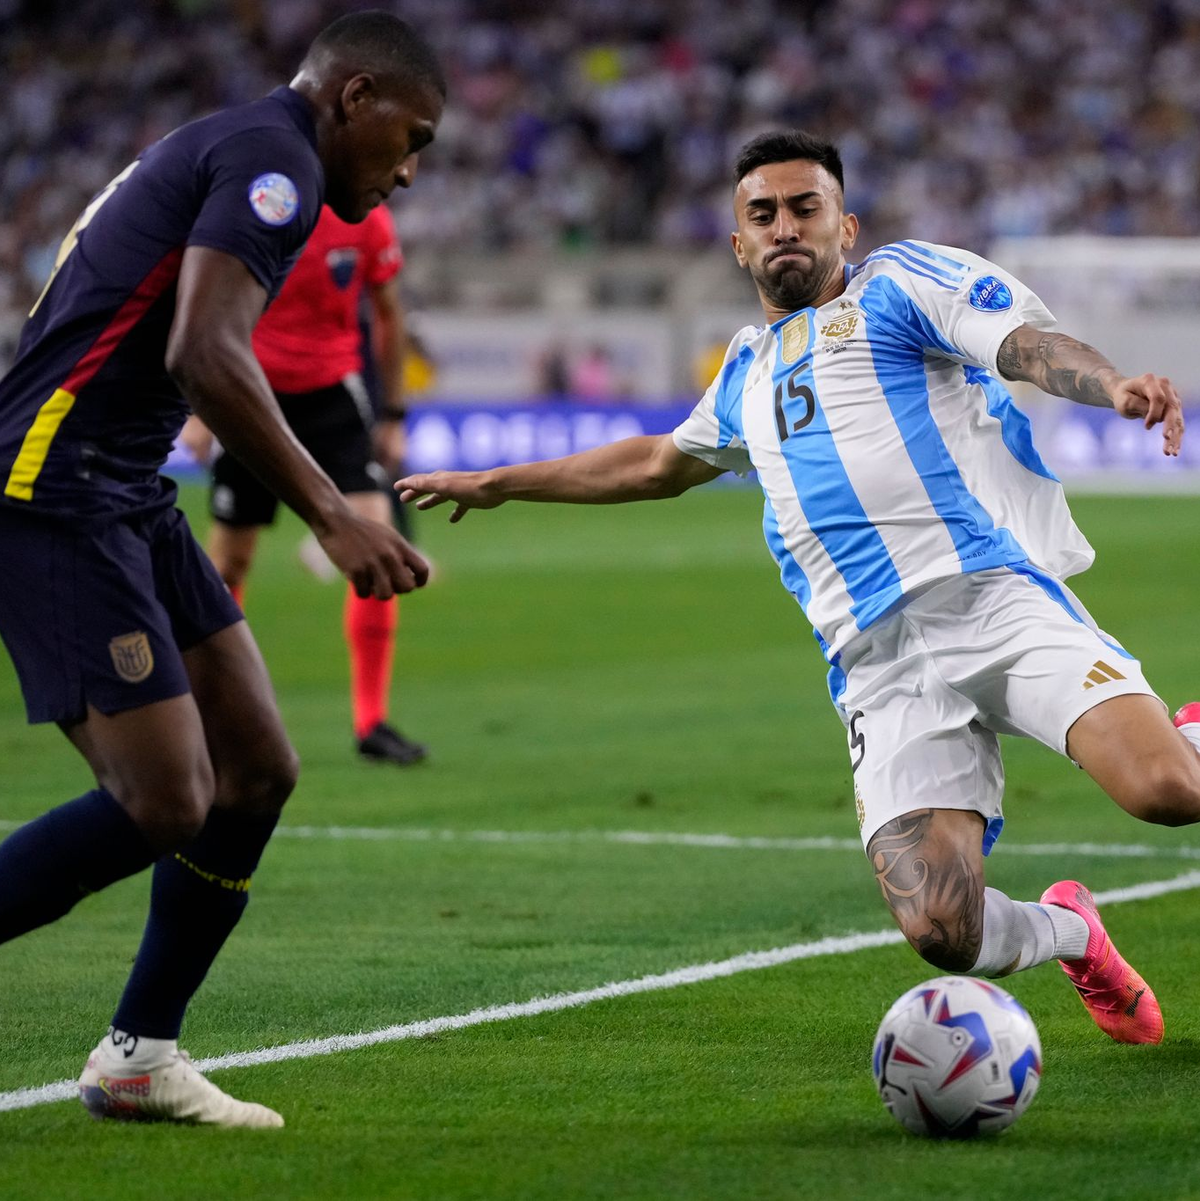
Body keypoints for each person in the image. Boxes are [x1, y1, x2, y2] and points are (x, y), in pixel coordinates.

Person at [398, 130, 1200, 1047]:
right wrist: (501, 482)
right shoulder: (743, 372)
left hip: (989, 602)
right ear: (738, 244)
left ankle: (1187, 736)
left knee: (1166, 792)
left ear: (845, 225)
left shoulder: (900, 288)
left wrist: (1112, 384)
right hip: (876, 664)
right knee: (942, 926)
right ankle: (1073, 932)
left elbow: (1022, 345)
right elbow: (659, 461)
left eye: (805, 208)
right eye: (763, 214)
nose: (786, 226)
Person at [0, 11, 444, 1127]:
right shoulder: (274, 163)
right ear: (353, 96)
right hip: (53, 483)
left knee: (255, 771)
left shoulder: (248, 144)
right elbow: (205, 350)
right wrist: (335, 512)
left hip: (123, 484)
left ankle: (140, 1054)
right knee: (165, 799)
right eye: (411, 134)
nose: (409, 169)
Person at [187, 199, 427, 766]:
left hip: (333, 399)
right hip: (250, 396)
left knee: (376, 551)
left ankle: (372, 722)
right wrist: (198, 405)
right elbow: (203, 299)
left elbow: (390, 314)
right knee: (227, 567)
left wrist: (393, 413)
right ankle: (205, 715)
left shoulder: (367, 217)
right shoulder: (264, 204)